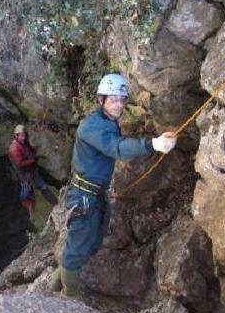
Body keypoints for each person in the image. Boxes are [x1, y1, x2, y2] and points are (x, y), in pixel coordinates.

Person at [54, 73, 178, 299]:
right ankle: (70, 296)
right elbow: (116, 148)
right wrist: (154, 144)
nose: (119, 104)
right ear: (102, 99)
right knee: (79, 245)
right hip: (83, 196)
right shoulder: (92, 126)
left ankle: (59, 280)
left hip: (95, 194)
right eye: (113, 99)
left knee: (92, 242)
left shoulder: (108, 122)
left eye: (122, 100)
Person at [8, 124, 57, 218]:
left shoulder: (23, 143)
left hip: (32, 170)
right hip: (24, 173)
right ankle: (31, 214)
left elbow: (29, 149)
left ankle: (55, 203)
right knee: (27, 193)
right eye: (21, 135)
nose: (23, 137)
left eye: (24, 135)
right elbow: (19, 163)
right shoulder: (14, 148)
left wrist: (35, 152)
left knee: (42, 186)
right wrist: (33, 160)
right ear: (16, 136)